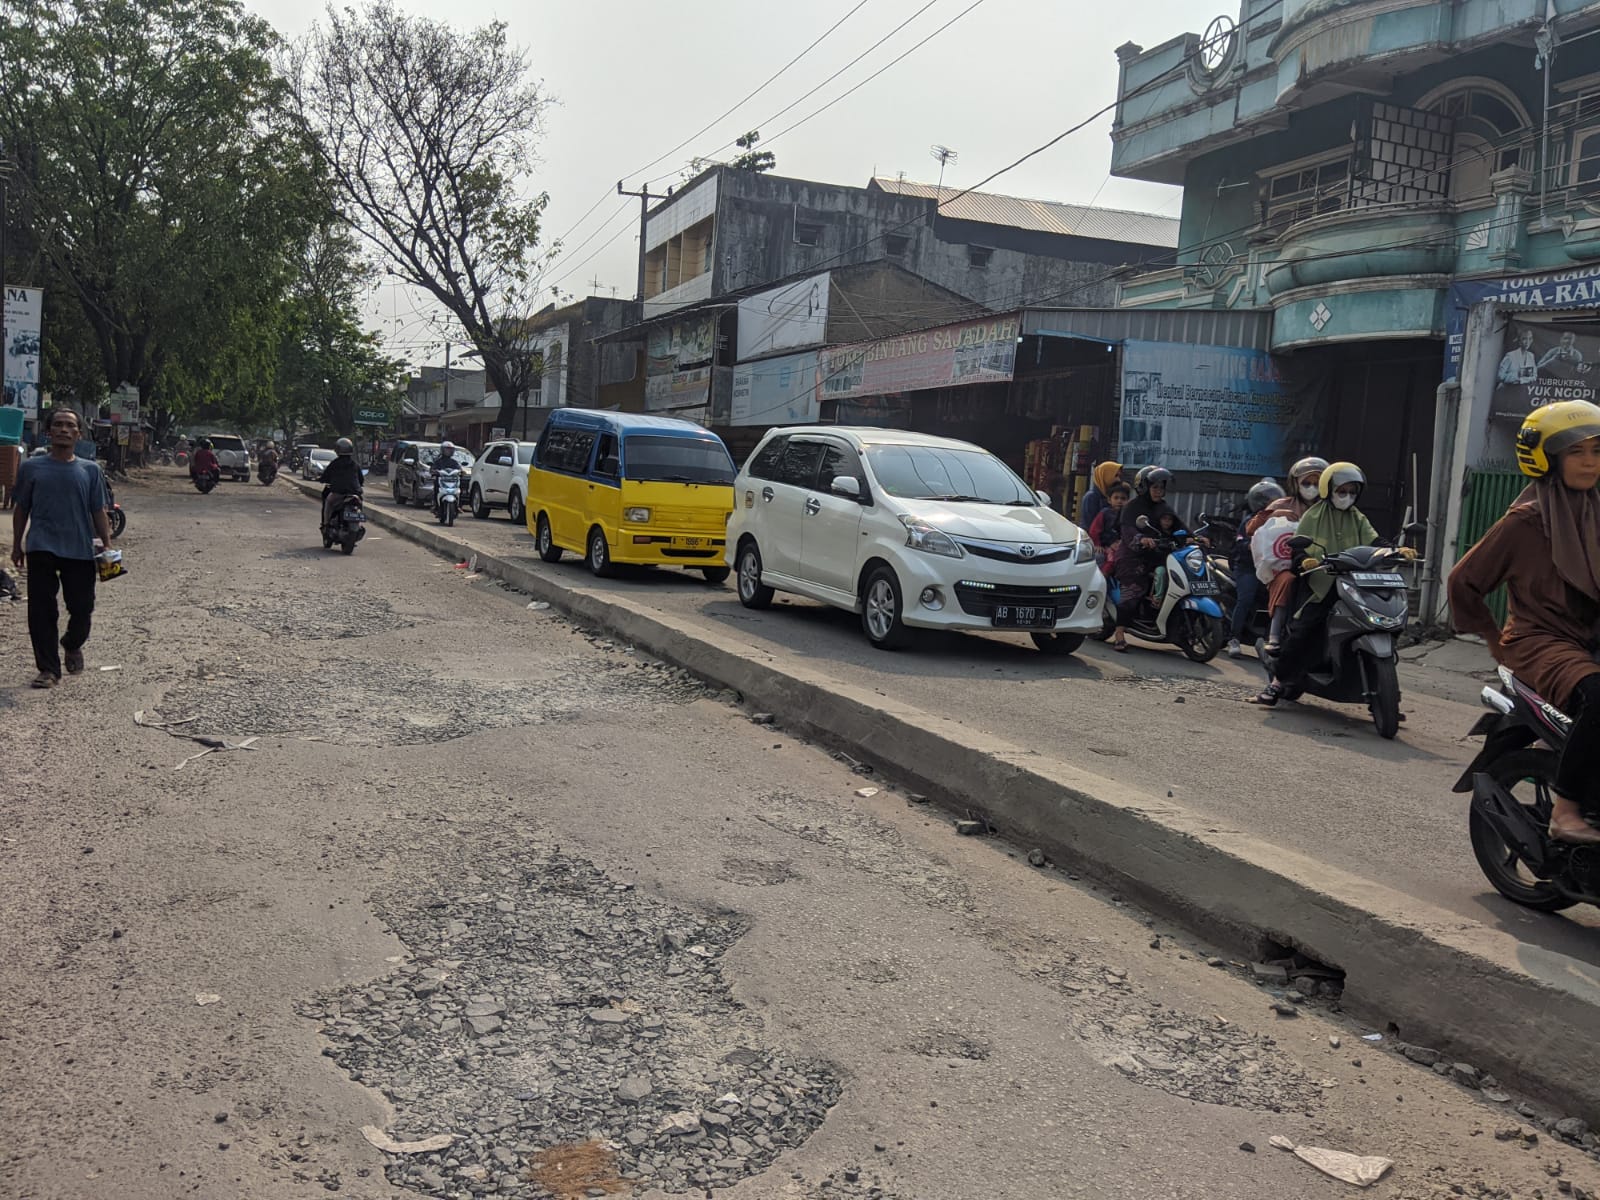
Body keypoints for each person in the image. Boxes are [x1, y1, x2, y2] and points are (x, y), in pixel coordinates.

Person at [1449, 400, 1600, 843]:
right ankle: (1566, 810)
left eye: (1596, 451)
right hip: (1540, 640)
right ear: (1548, 458)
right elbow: (1464, 581)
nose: (1590, 462)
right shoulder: (1526, 522)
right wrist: (1495, 641)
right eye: (1577, 452)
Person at [1252, 462, 1395, 707]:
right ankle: (1276, 683)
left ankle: (1387, 694)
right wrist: (1304, 560)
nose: (1347, 496)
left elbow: (1374, 540)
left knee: (1381, 621)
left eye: (1352, 491)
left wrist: (1394, 550)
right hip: (1321, 586)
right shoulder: (1313, 515)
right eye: (1342, 490)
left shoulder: (1358, 518)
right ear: (1329, 489)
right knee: (1304, 632)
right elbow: (1298, 547)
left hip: (1354, 583)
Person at [9, 407, 113, 688]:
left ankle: (72, 643)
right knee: (41, 610)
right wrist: (17, 544)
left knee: (82, 608)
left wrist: (106, 544)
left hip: (79, 549)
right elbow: (21, 508)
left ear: (79, 433)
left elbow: (98, 511)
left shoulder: (90, 470)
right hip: (41, 546)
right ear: (49, 431)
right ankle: (48, 669)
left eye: (70, 426)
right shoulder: (32, 467)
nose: (64, 430)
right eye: (58, 425)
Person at [1245, 456, 1328, 651]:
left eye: (1317, 483)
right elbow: (1251, 529)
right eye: (1306, 483)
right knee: (1288, 581)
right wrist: (1273, 514)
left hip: (1321, 563)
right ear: (1295, 483)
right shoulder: (1282, 504)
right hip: (1284, 564)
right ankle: (1274, 634)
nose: (1311, 487)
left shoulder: (1329, 510)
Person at [1112, 466, 1176, 652]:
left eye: (1161, 487)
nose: (1158, 491)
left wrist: (1192, 536)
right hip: (1132, 557)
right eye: (1154, 487)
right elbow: (1127, 531)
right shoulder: (1132, 507)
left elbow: (1177, 524)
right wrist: (1141, 539)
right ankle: (1119, 633)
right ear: (1144, 487)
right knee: (1133, 591)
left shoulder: (1163, 507)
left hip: (1156, 556)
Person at [1226, 478, 1284, 657]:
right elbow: (1240, 546)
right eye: (1268, 500)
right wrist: (1252, 546)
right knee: (1246, 598)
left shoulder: (1280, 521)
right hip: (1248, 568)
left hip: (1270, 570)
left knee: (1279, 601)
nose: (1271, 504)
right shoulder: (1250, 521)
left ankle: (1270, 640)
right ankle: (1233, 639)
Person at [320, 437, 365, 529]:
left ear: (337, 450)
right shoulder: (355, 465)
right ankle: (359, 524)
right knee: (360, 504)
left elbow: (325, 476)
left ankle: (326, 524)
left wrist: (322, 479)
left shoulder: (334, 464)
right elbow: (361, 479)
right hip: (355, 493)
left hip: (338, 493)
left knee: (328, 502)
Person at [1088, 481, 1131, 577]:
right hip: (1106, 546)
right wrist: (1097, 544)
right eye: (1116, 498)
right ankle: (1102, 577)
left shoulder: (1128, 515)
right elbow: (1094, 530)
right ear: (1109, 499)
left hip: (1122, 545)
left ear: (1128, 500)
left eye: (1123, 498)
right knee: (1111, 560)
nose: (1119, 501)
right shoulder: (1105, 513)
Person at [1079, 461, 1123, 530]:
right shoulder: (1091, 497)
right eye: (1115, 476)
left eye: (1119, 476)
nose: (1118, 480)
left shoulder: (1109, 496)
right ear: (1105, 475)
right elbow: (1090, 527)